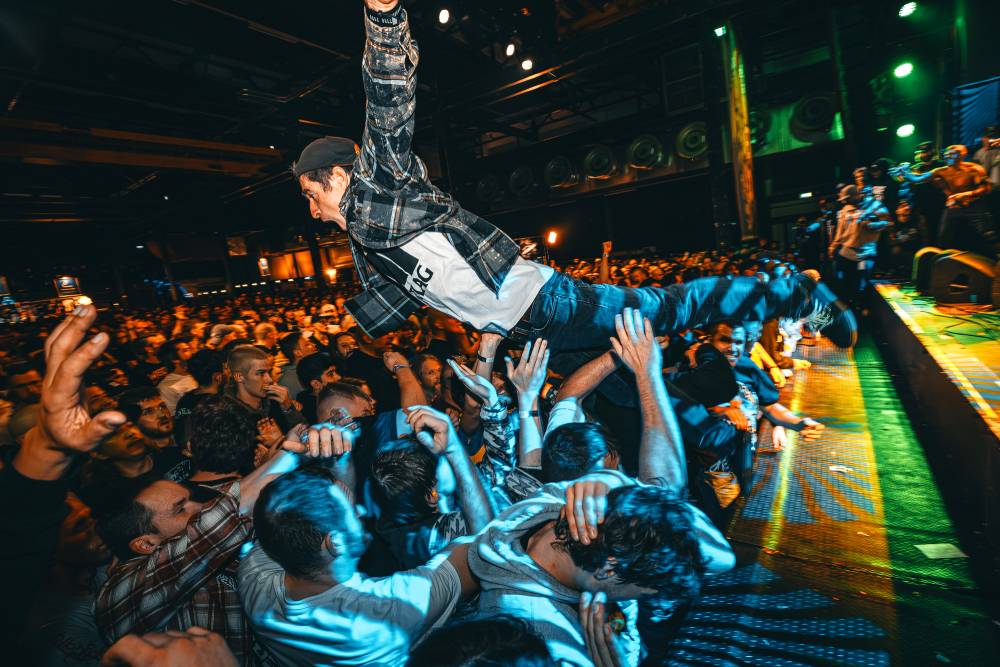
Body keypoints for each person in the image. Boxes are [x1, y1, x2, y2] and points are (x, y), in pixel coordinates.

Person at [291, 0, 856, 350]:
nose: (312, 212)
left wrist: (384, 17)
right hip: (522, 332)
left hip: (548, 305)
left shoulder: (381, 186)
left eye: (310, 194)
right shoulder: (364, 240)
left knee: (667, 311)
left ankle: (794, 295)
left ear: (337, 175)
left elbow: (388, 99)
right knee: (610, 403)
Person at [467, 309, 735, 666]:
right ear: (610, 568)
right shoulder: (533, 637)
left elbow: (719, 555)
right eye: (646, 592)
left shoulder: (552, 493)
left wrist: (637, 366)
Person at [237, 417, 480, 666]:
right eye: (351, 512)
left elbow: (260, 509)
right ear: (335, 543)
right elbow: (484, 551)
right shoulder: (386, 612)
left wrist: (335, 457)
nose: (361, 510)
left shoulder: (255, 577)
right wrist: (454, 449)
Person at [93, 430, 300, 664]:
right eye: (181, 509)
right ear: (146, 543)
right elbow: (207, 528)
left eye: (191, 500)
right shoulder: (116, 594)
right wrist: (285, 457)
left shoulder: (215, 548)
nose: (200, 507)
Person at [899, 144, 994, 256]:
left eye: (952, 154)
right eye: (946, 154)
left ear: (961, 155)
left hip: (974, 206)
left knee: (988, 235)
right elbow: (917, 178)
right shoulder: (941, 171)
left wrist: (967, 194)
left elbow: (986, 188)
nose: (948, 157)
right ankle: (941, 260)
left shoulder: (974, 169)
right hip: (954, 207)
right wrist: (904, 172)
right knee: (943, 238)